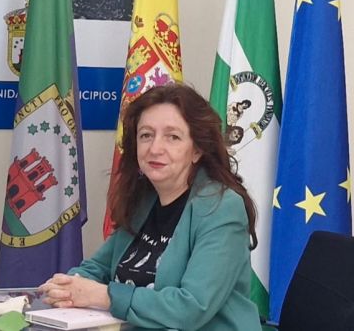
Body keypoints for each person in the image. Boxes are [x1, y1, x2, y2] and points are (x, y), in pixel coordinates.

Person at [39, 83, 261, 330]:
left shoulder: (221, 208)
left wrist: (104, 296)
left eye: (172, 137)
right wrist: (68, 287)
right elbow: (99, 267)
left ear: (197, 150)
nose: (155, 149)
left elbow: (192, 307)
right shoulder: (144, 199)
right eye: (146, 135)